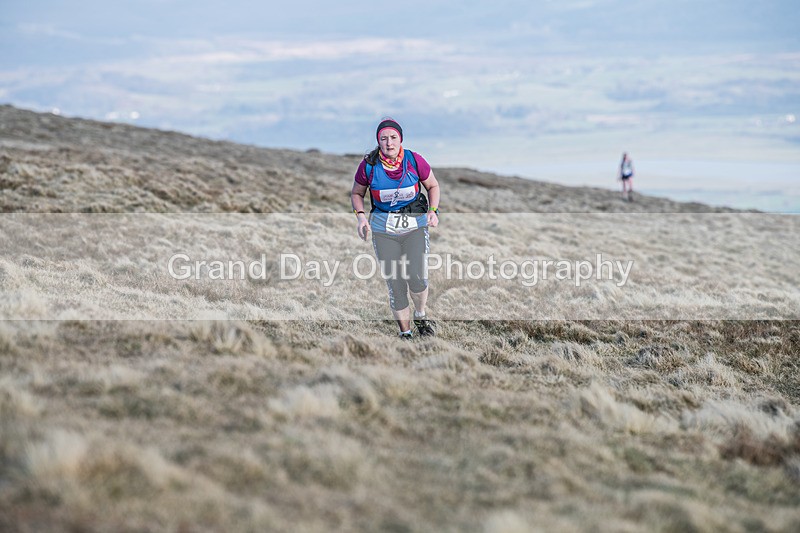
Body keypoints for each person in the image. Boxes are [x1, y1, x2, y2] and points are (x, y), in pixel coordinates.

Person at [350, 118, 441, 339]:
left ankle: (420, 315)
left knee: (417, 277)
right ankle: (406, 334)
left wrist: (433, 210)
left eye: (393, 138)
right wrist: (361, 218)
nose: (389, 143)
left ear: (400, 139)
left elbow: (432, 185)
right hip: (383, 231)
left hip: (415, 227)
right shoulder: (369, 166)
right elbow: (356, 194)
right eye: (384, 138)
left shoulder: (413, 160)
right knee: (396, 282)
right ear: (378, 141)